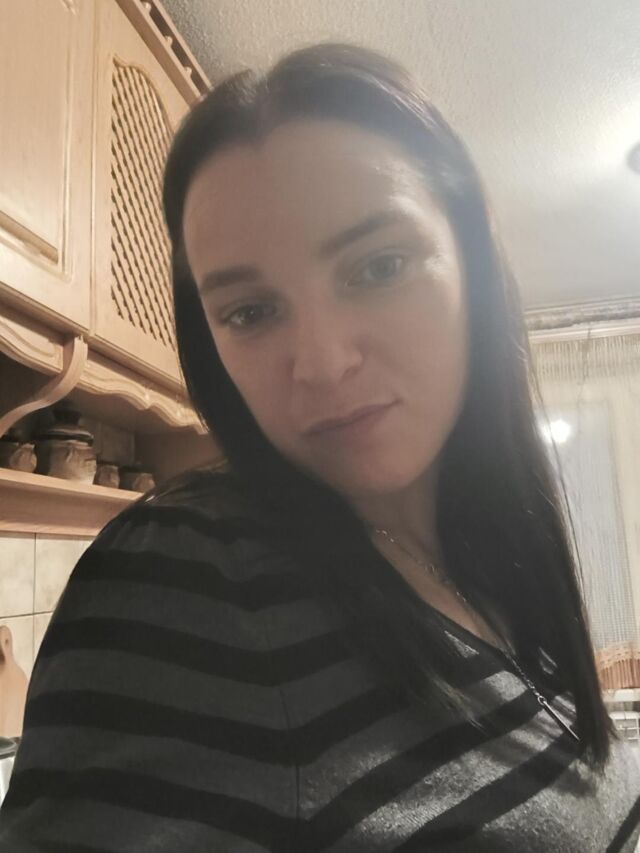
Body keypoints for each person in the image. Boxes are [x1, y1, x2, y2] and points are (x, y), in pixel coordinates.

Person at [1, 41, 639, 852]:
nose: (324, 363)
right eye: (251, 311)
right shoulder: (190, 576)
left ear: (473, 258)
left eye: (379, 266)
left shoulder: (487, 552)